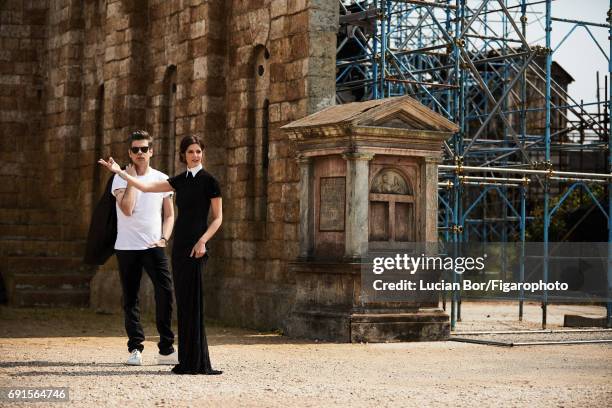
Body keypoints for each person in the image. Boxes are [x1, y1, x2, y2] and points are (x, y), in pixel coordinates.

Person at [98, 135, 223, 375]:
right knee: (183, 303)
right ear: (183, 155)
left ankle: (196, 360)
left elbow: (217, 218)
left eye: (198, 151)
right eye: (190, 152)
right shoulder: (178, 181)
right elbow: (144, 187)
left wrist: (203, 241)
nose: (195, 156)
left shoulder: (210, 181)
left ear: (202, 153)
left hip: (196, 247)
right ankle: (185, 360)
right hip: (178, 248)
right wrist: (120, 172)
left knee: (190, 300)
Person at [110, 130, 177, 366]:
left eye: (144, 149)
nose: (140, 153)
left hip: (153, 246)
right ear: (130, 152)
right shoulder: (119, 178)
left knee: (165, 293)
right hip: (127, 247)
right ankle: (135, 348)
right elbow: (127, 208)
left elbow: (169, 215)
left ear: (151, 151)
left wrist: (164, 238)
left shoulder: (162, 178)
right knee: (131, 298)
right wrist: (129, 179)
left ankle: (166, 349)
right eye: (135, 149)